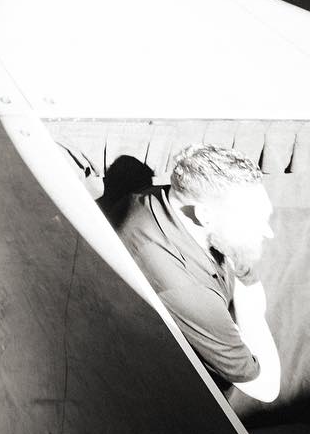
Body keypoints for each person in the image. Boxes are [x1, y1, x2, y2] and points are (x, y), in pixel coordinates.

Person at [112, 144, 280, 402]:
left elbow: (248, 280)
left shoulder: (170, 200)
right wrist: (252, 318)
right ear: (204, 215)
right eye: (252, 219)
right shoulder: (181, 286)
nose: (268, 232)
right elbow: (266, 388)